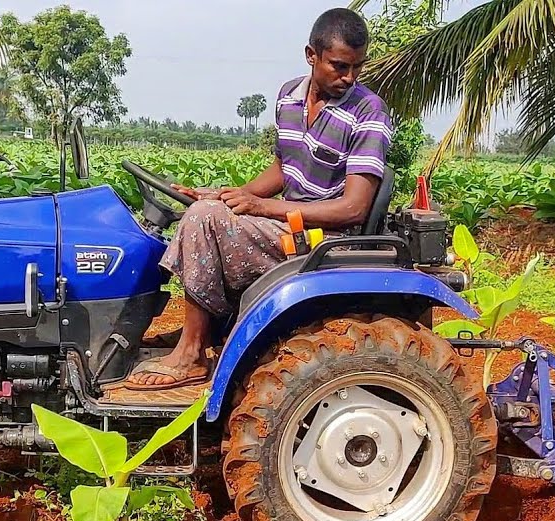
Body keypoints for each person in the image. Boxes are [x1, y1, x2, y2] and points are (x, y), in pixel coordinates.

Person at [127, 7, 394, 390]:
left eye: (357, 67)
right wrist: (224, 195)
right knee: (207, 210)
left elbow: (353, 207)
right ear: (311, 55)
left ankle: (191, 352)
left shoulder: (368, 111)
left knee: (205, 220)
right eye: (339, 66)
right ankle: (204, 332)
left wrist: (261, 207)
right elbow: (285, 168)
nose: (348, 77)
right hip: (287, 225)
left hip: (325, 238)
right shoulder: (289, 97)